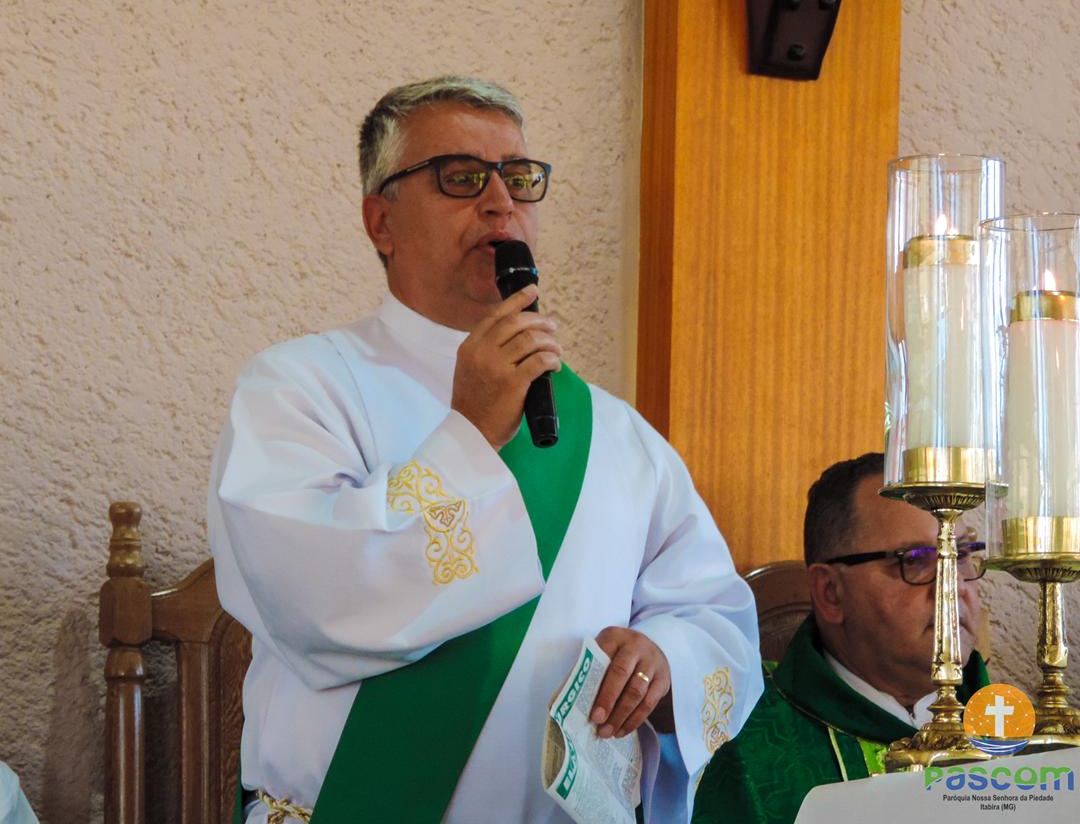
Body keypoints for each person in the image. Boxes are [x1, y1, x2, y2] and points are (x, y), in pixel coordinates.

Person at [208, 75, 763, 824]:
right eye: (461, 178)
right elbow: (310, 599)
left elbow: (715, 617)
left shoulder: (618, 433)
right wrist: (468, 434)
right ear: (381, 221)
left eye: (520, 178)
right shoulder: (298, 388)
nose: (501, 203)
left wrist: (665, 661)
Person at [691, 452, 989, 824]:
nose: (954, 587)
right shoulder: (736, 750)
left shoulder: (1023, 736)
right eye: (914, 559)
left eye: (960, 554)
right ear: (830, 592)